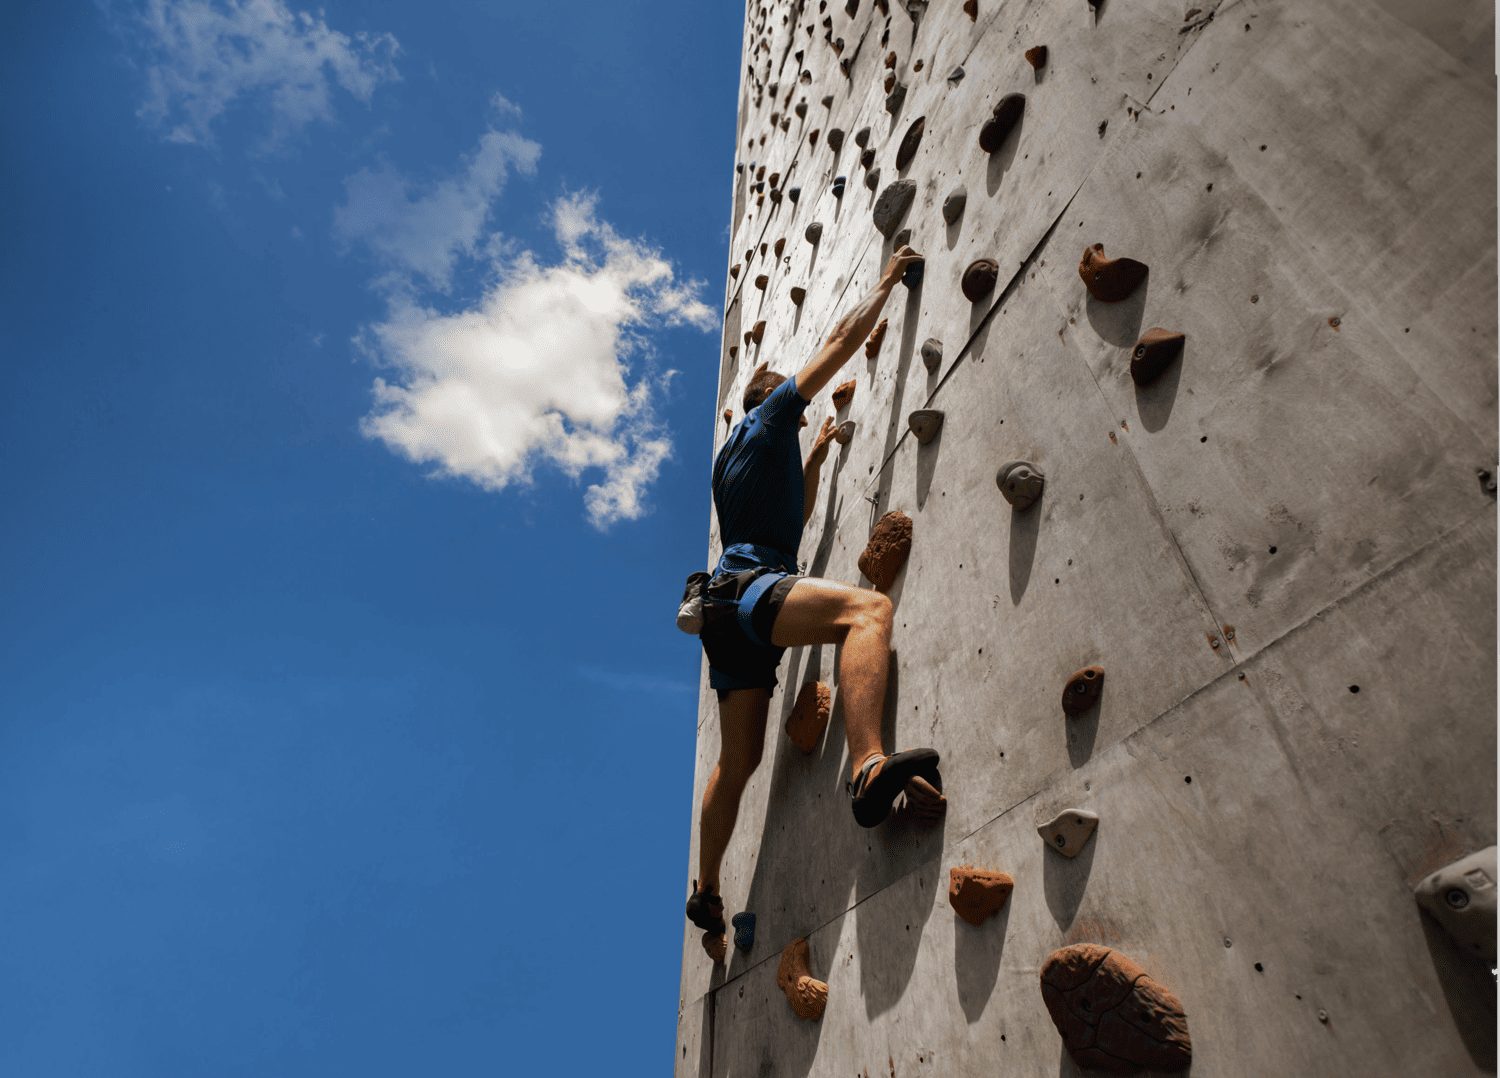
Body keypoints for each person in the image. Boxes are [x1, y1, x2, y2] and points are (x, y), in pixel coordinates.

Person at [686, 246, 946, 948]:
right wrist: (887, 280)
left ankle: (706, 890)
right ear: (773, 400)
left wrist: (819, 457)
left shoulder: (735, 462)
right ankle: (867, 765)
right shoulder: (769, 416)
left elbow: (784, 528)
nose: (802, 420)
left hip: (726, 612)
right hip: (750, 593)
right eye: (799, 416)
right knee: (868, 611)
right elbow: (837, 343)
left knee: (737, 764)